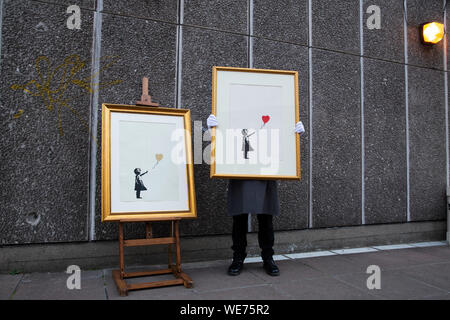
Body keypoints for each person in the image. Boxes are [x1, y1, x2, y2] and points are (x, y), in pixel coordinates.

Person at [207, 114, 305, 276]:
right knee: (239, 219)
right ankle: (238, 257)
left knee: (266, 218)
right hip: (240, 170)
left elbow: (279, 140)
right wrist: (212, 130)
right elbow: (221, 144)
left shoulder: (270, 114)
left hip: (264, 171)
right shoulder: (235, 112)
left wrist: (293, 135)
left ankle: (268, 257)